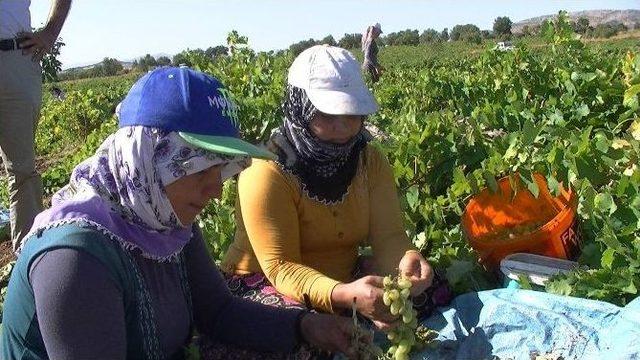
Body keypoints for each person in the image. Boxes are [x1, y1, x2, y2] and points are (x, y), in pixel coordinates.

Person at [1, 67, 362, 359]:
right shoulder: (75, 259)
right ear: (149, 160)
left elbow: (217, 311)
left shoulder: (163, 221)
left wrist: (306, 326)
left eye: (220, 169)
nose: (216, 188)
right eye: (200, 168)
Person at [221, 45, 451, 331]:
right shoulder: (266, 171)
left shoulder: (370, 161)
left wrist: (405, 260)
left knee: (431, 289)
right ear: (300, 108)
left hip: (343, 278)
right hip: (268, 283)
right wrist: (345, 296)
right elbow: (282, 267)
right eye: (327, 116)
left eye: (352, 114)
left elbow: (389, 236)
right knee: (300, 331)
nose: (343, 128)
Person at [0, 0, 72, 252]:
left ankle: (27, 258)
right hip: (16, 62)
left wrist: (50, 32)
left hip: (15, 58)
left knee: (22, 170)